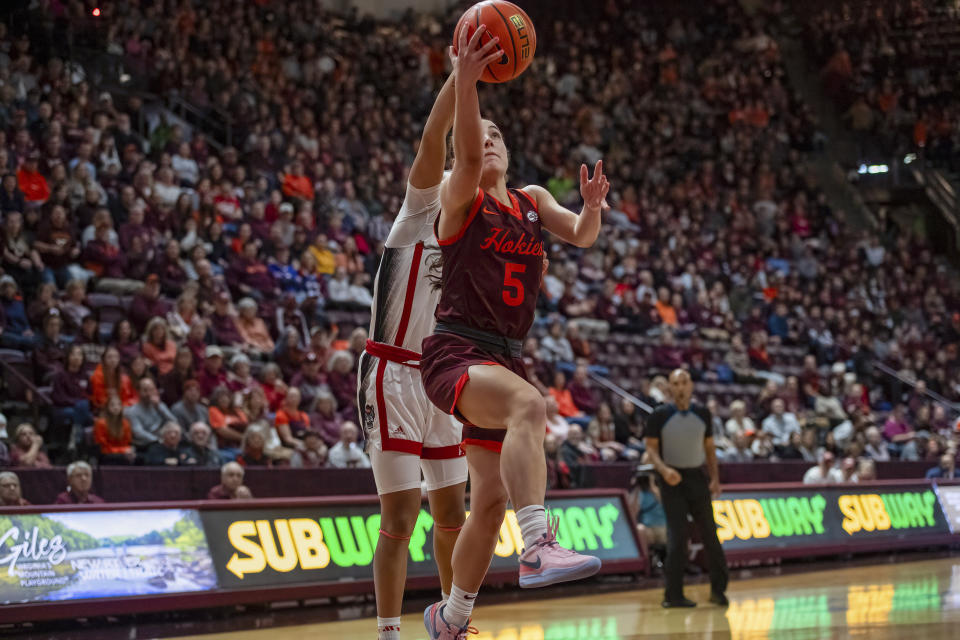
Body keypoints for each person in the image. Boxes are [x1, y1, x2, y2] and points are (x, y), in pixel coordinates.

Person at [421, 28, 607, 637]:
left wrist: (593, 208)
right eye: (481, 134)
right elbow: (467, 153)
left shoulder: (530, 199)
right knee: (531, 404)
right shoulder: (460, 194)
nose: (488, 142)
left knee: (489, 502)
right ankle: (536, 545)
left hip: (503, 356)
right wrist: (467, 81)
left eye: (499, 135)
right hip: (457, 349)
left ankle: (450, 617)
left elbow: (579, 235)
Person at [352, 67, 471, 640]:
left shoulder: (468, 240)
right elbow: (434, 141)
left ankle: (451, 622)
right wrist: (462, 77)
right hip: (391, 373)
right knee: (399, 519)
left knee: (453, 516)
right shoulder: (416, 216)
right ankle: (389, 632)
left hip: (439, 379)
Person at [643, 369, 728, 608]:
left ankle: (719, 591)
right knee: (678, 536)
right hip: (672, 479)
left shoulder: (702, 414)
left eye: (684, 382)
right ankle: (673, 595)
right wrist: (663, 470)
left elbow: (710, 450)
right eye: (675, 383)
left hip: (696, 477)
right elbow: (651, 449)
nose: (680, 387)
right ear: (670, 388)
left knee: (711, 533)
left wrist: (715, 479)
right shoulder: (659, 415)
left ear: (691, 386)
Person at [94, 394, 135, 464]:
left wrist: (127, 450)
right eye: (112, 405)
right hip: (106, 454)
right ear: (107, 407)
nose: (116, 407)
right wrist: (122, 450)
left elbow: (127, 442)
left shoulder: (126, 423)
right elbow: (103, 447)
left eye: (119, 405)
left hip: (122, 453)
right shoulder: (100, 423)